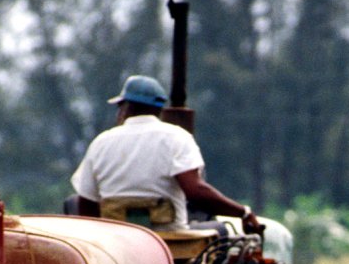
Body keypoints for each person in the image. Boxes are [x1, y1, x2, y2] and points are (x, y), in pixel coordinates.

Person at [71, 74, 262, 234]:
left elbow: (86, 202)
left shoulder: (101, 142)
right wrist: (243, 212)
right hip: (169, 243)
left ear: (126, 107)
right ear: (159, 109)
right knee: (220, 230)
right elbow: (195, 191)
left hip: (117, 245)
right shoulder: (177, 137)